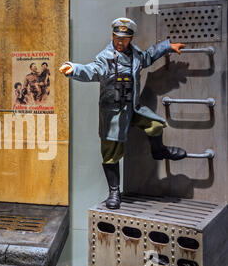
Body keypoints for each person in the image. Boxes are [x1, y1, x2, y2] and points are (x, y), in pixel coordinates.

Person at [59, 17, 187, 210]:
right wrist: (74, 69)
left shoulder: (135, 55)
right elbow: (91, 70)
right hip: (113, 114)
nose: (120, 42)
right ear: (112, 36)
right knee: (111, 153)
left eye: (124, 39)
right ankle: (114, 192)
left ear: (131, 39)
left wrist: (167, 46)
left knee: (155, 125)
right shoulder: (105, 58)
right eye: (117, 37)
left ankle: (158, 150)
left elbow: (148, 56)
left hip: (132, 108)